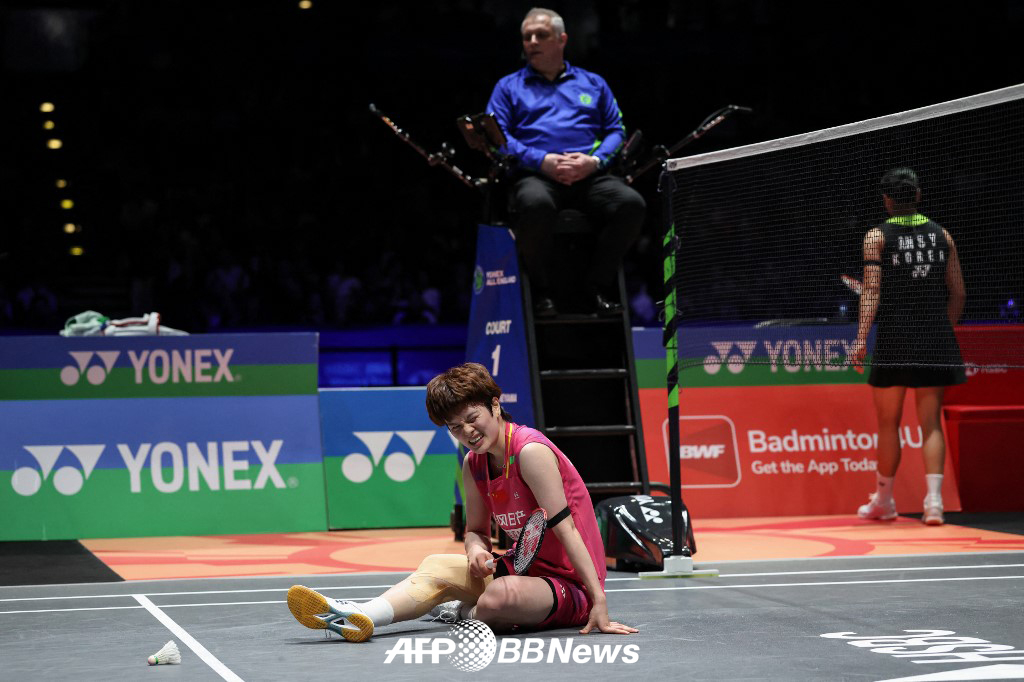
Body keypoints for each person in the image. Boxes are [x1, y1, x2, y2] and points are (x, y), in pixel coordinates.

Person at [287, 362, 637, 641]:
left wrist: (599, 600)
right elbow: (475, 531)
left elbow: (568, 529)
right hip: (522, 567)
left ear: (495, 406)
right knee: (436, 565)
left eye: (472, 419)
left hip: (571, 585)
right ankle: (360, 614)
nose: (467, 432)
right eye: (455, 428)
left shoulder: (529, 452)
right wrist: (475, 551)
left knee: (501, 596)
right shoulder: (474, 464)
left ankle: (463, 611)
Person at [487, 8, 645, 316]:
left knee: (631, 204)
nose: (532, 41)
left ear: (562, 40)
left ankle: (597, 286)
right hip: (535, 176)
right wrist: (541, 160)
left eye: (541, 35)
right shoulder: (508, 87)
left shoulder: (593, 83)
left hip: (589, 175)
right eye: (527, 37)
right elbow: (498, 138)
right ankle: (540, 291)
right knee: (535, 205)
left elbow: (616, 130)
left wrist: (594, 161)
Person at [851, 168, 966, 526]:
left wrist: (860, 339)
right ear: (917, 195)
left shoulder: (876, 237)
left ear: (886, 200)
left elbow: (871, 291)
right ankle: (934, 503)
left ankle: (884, 501)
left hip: (895, 337)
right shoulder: (942, 234)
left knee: (889, 423)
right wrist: (943, 331)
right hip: (935, 337)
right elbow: (958, 292)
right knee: (931, 422)